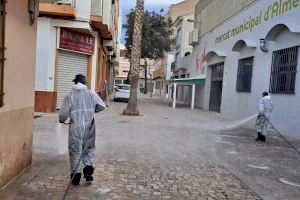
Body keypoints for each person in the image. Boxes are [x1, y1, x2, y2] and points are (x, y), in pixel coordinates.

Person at [59, 74, 106, 185]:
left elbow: (63, 114)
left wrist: (62, 120)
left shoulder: (69, 95)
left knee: (75, 151)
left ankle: (75, 177)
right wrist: (91, 111)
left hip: (75, 127)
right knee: (89, 148)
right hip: (90, 126)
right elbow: (102, 106)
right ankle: (88, 172)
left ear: (75, 82)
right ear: (85, 83)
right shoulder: (92, 93)